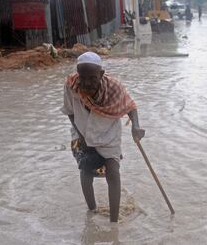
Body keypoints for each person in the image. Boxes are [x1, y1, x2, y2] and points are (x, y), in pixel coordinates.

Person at [61, 52, 145, 222]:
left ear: (101, 74)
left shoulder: (114, 87)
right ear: (78, 74)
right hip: (82, 132)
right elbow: (70, 112)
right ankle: (91, 212)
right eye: (82, 77)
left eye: (92, 78)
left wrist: (135, 126)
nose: (86, 83)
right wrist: (82, 137)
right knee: (86, 170)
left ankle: (114, 222)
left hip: (109, 135)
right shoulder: (71, 86)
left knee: (113, 173)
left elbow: (130, 106)